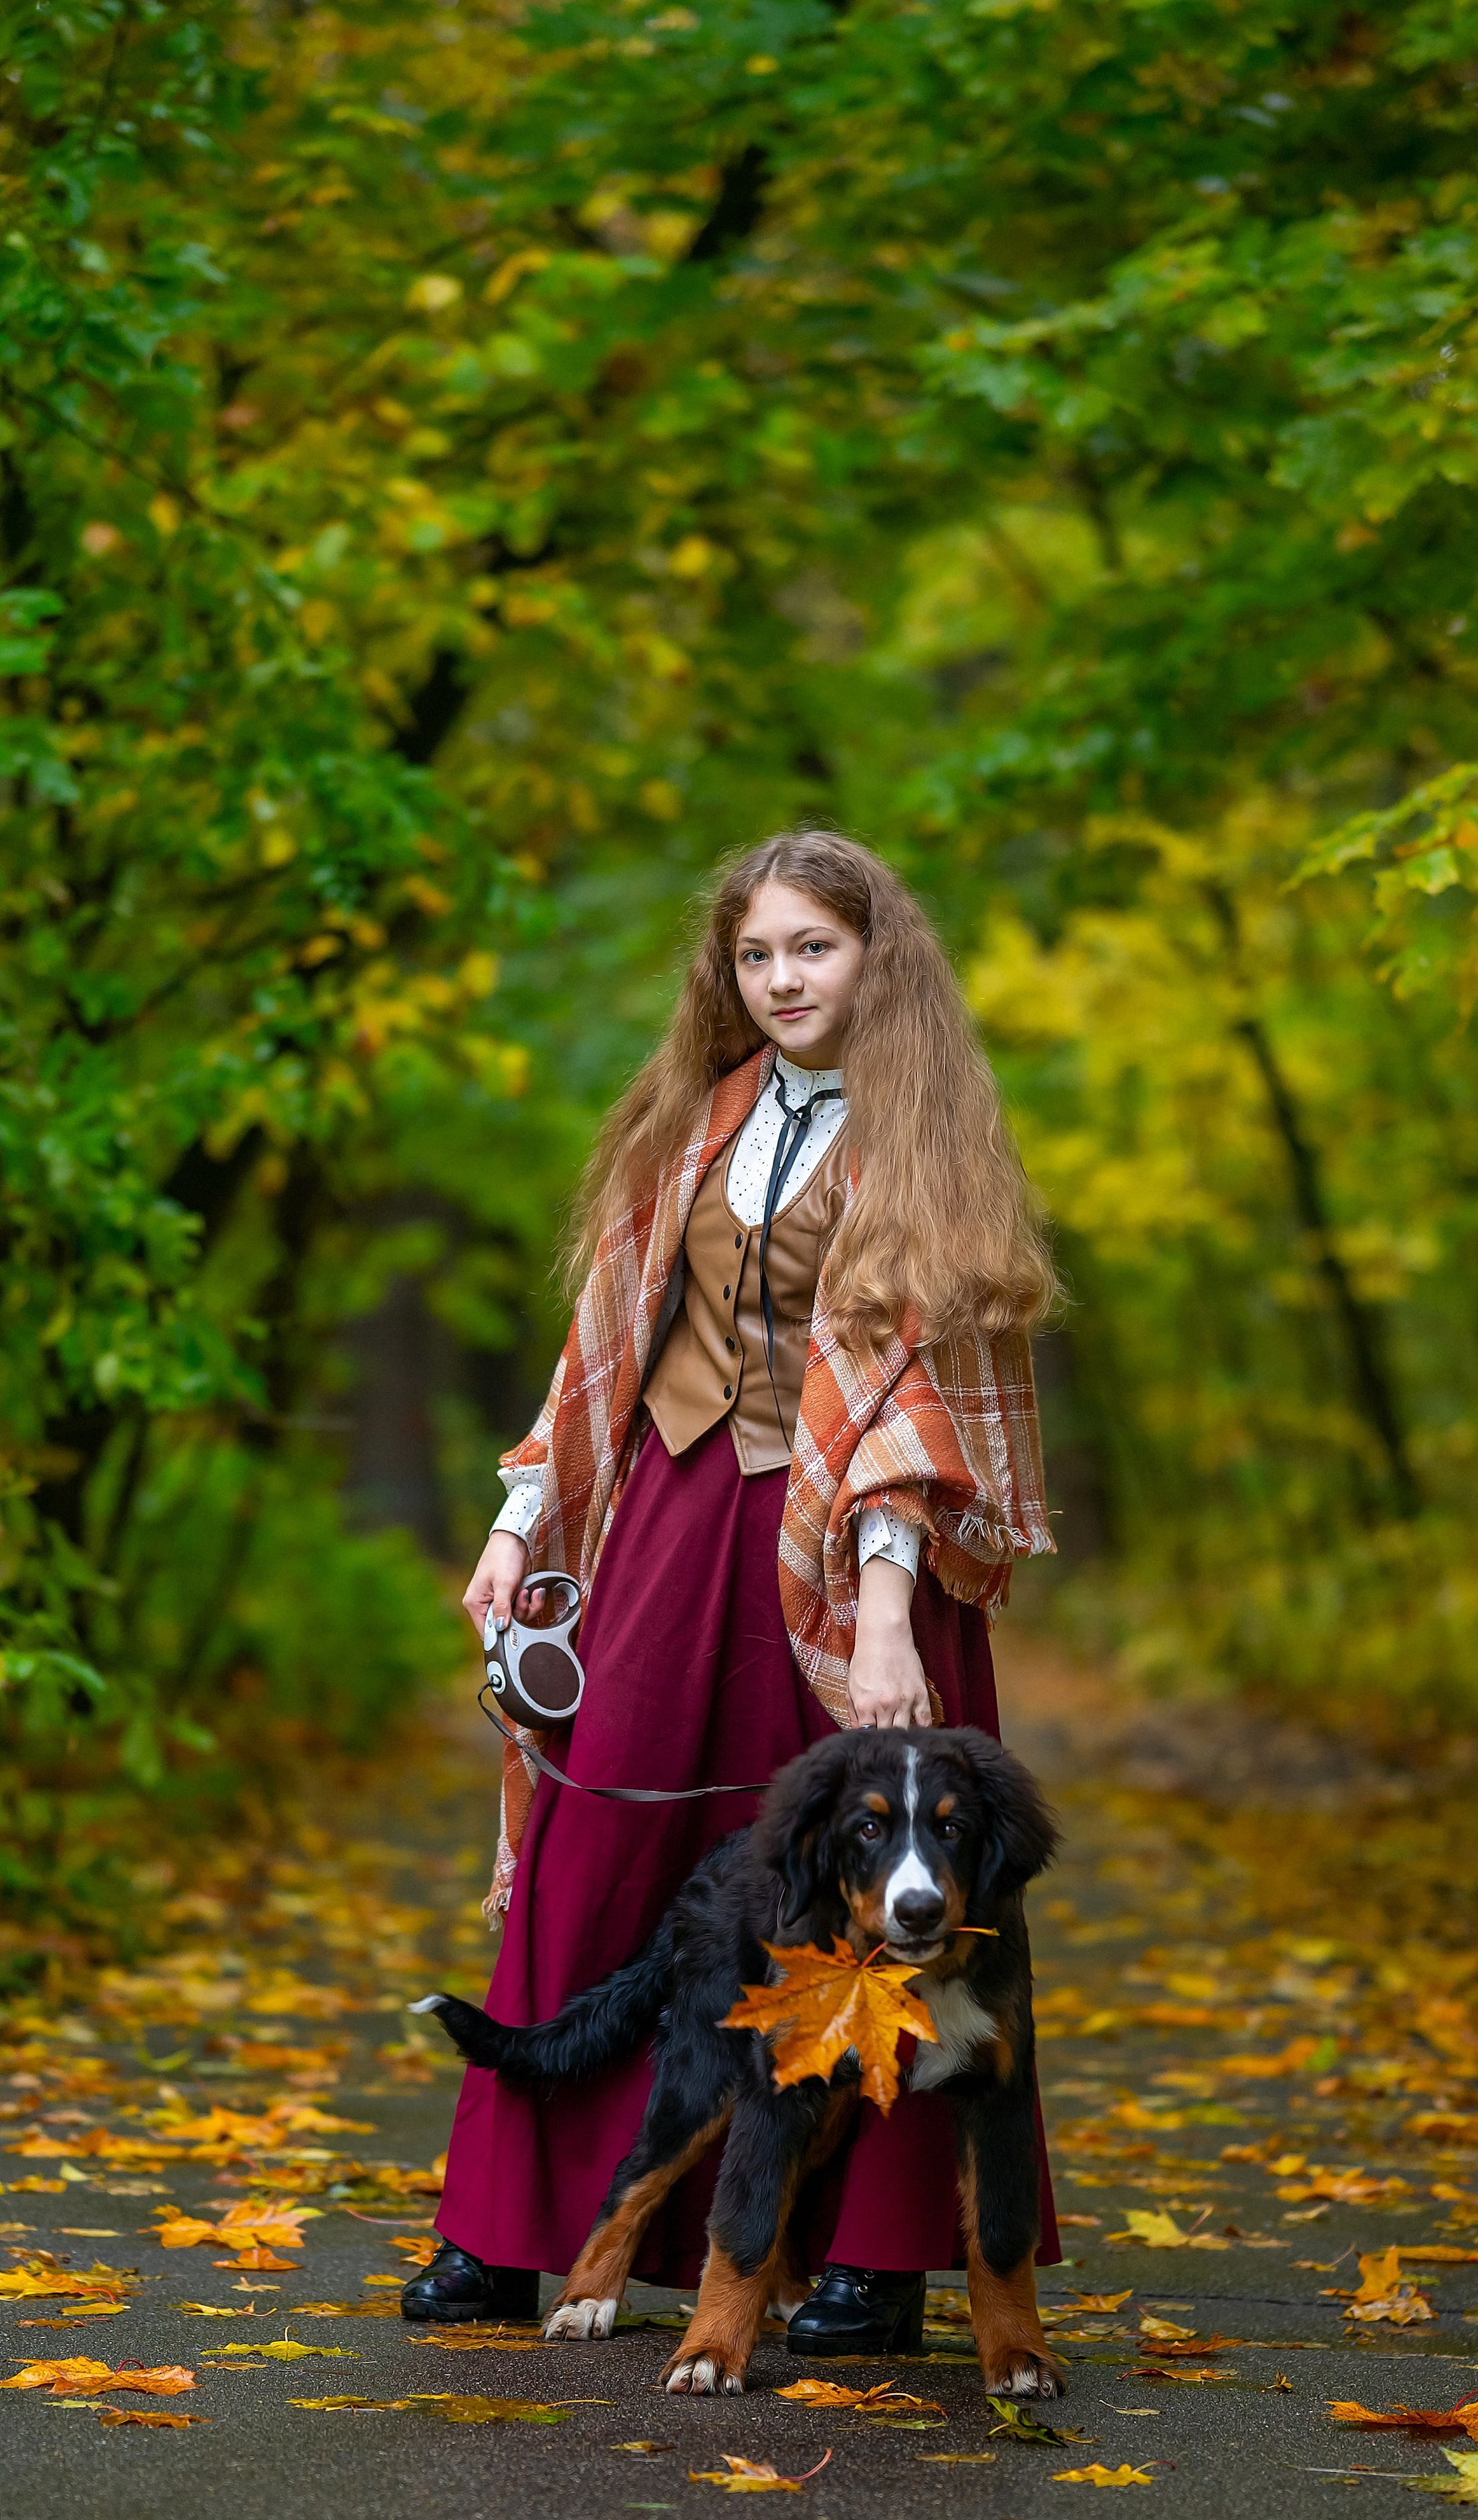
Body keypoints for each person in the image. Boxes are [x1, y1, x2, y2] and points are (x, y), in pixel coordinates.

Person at [403, 826, 1062, 2350]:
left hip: (857, 1549)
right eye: (755, 952)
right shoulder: (689, 1124)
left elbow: (920, 1392)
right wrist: (522, 1522)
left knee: (888, 1882)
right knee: (594, 1845)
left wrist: (889, 1608)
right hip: (677, 1512)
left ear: (874, 959)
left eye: (811, 949)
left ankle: (872, 2259)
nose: (779, 978)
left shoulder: (927, 1144)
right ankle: (514, 2231)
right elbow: (603, 1343)